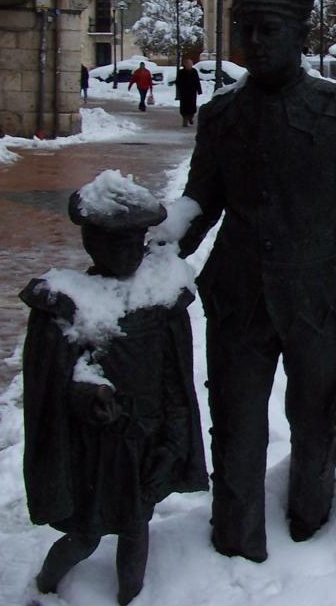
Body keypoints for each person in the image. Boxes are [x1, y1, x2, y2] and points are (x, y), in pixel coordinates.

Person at [157, 0, 336, 563]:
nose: (255, 42)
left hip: (319, 301)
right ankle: (234, 542)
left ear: (297, 32)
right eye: (246, 29)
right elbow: (200, 202)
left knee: (315, 425)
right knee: (235, 426)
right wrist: (156, 245)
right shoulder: (221, 116)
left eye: (268, 29)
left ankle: (310, 531)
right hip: (236, 299)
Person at [21, 172, 206, 605]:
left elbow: (175, 379)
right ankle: (45, 586)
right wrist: (90, 395)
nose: (126, 252)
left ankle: (130, 597)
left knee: (136, 529)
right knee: (85, 535)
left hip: (145, 440)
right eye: (113, 242)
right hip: (96, 451)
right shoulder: (70, 305)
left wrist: (174, 442)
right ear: (91, 243)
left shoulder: (160, 299)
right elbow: (56, 384)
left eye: (132, 242)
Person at [175, 58, 201, 127]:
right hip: (184, 93)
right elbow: (177, 82)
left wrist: (199, 90)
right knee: (184, 107)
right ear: (185, 65)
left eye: (190, 64)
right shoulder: (181, 72)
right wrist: (180, 88)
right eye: (188, 64)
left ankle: (190, 117)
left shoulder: (194, 71)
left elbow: (197, 81)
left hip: (192, 92)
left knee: (192, 107)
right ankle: (185, 120)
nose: (189, 65)